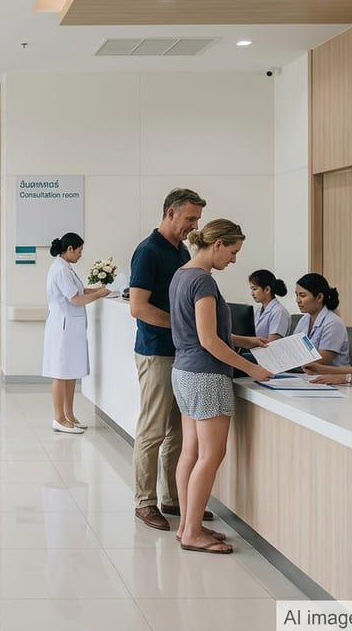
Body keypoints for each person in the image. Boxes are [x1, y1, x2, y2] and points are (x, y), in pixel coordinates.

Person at [169, 220, 273, 554]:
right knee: (211, 455)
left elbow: (202, 331)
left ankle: (187, 525)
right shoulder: (202, 282)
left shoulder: (182, 274)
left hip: (184, 372)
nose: (234, 259)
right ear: (217, 245)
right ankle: (192, 532)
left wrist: (246, 341)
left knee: (191, 452)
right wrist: (251, 368)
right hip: (207, 375)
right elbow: (209, 340)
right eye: (233, 251)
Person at [129, 188, 207, 532]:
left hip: (182, 354)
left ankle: (173, 498)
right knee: (153, 429)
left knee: (179, 431)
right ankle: (144, 501)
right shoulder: (148, 252)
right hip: (156, 352)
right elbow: (139, 307)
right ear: (170, 213)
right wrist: (183, 325)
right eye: (190, 218)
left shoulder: (180, 252)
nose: (194, 226)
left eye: (197, 220)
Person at [42, 233, 111, 434]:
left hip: (69, 328)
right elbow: (75, 299)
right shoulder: (60, 270)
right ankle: (59, 418)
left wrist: (98, 289)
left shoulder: (65, 268)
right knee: (60, 372)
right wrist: (99, 294)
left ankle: (69, 415)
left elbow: (79, 291)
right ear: (70, 249)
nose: (81, 255)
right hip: (62, 328)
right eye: (79, 251)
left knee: (69, 372)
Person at [293, 273, 350, 367]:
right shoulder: (304, 320)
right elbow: (294, 348)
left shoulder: (333, 323)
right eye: (297, 295)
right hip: (306, 375)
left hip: (332, 378)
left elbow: (322, 360)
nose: (298, 300)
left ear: (319, 297)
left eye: (302, 296)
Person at [246, 270, 291, 342]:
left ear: (267, 289)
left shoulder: (279, 312)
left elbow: (272, 344)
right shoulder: (258, 310)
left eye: (254, 289)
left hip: (270, 352)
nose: (252, 294)